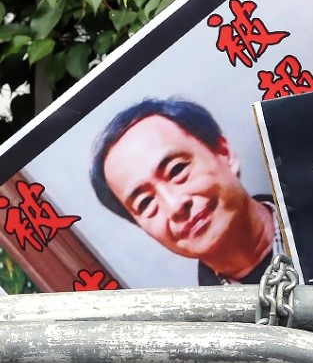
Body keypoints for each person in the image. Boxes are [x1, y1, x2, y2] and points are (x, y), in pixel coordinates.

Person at [90, 98, 283, 286]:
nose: (174, 205)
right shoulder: (209, 318)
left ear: (224, 153)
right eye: (145, 203)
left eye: (176, 170)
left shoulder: (311, 197)